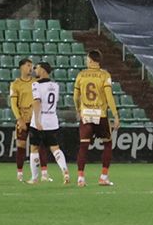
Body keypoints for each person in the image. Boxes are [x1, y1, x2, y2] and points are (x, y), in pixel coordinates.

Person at [72, 49, 120, 187]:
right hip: (100, 114)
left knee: (83, 146)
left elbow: (75, 96)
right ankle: (103, 177)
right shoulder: (104, 75)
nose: (86, 61)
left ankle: (81, 178)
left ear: (92, 60)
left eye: (87, 59)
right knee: (108, 144)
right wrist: (115, 115)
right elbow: (109, 96)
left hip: (86, 114)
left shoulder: (81, 75)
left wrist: (78, 109)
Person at [27, 61, 72, 186]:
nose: (35, 70)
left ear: (43, 70)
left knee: (34, 148)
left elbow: (37, 102)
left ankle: (34, 178)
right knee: (55, 148)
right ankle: (65, 171)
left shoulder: (36, 85)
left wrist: (36, 120)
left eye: (37, 68)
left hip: (40, 119)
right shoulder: (55, 85)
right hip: (52, 119)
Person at [8, 57, 35, 181]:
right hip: (23, 118)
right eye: (28, 65)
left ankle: (40, 173)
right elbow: (13, 103)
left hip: (34, 118)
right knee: (21, 145)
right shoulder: (15, 84)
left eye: (31, 65)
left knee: (37, 147)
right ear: (22, 67)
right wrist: (19, 119)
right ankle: (19, 173)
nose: (31, 68)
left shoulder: (36, 82)